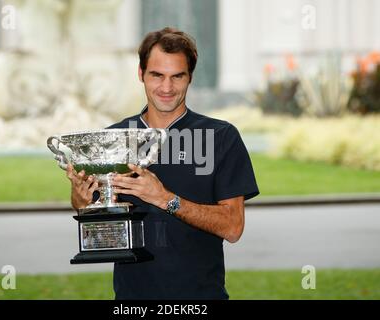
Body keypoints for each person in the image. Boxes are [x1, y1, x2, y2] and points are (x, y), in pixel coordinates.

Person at [66, 27, 259, 300]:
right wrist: (81, 199)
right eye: (157, 75)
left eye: (177, 76)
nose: (166, 88)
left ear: (190, 77)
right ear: (140, 74)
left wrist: (165, 199)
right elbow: (94, 214)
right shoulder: (113, 139)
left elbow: (233, 227)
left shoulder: (220, 137)